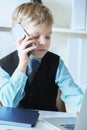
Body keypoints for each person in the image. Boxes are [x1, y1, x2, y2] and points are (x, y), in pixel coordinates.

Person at [0, 2, 83, 113]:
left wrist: (82, 109)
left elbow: (74, 94)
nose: (44, 42)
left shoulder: (56, 63)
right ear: (18, 36)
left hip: (47, 122)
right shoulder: (4, 65)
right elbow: (9, 103)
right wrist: (22, 65)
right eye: (35, 36)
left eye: (48, 36)